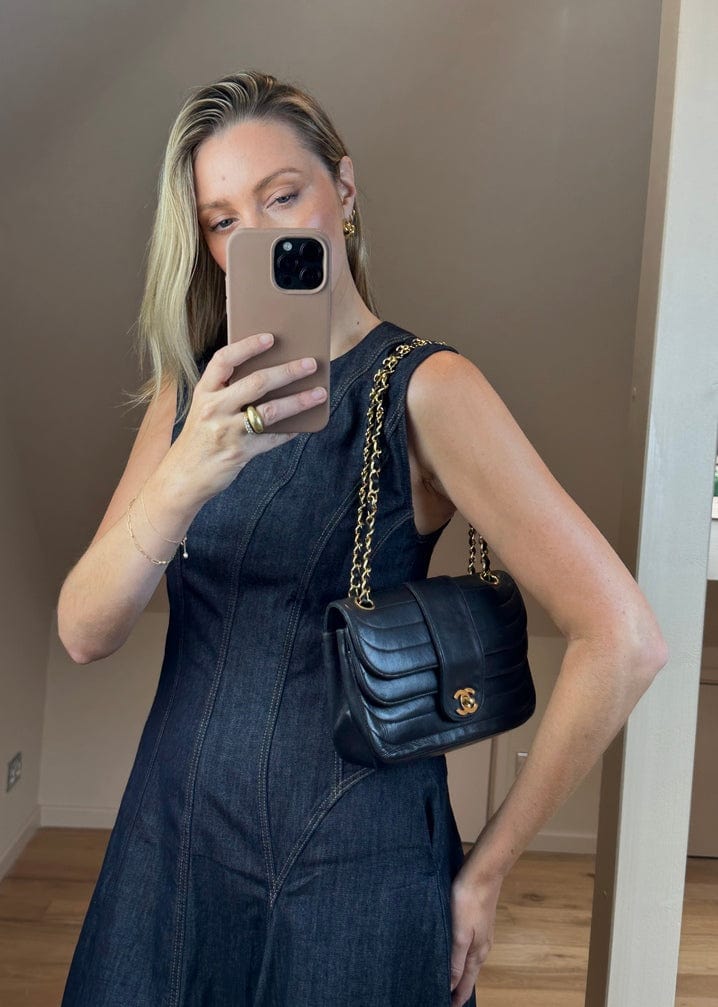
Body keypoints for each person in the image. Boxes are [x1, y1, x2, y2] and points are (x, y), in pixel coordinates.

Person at [57, 69, 668, 1007]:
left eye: (282, 195)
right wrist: (187, 471)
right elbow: (84, 631)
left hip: (355, 871)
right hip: (169, 839)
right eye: (222, 219)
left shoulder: (426, 387)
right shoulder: (194, 395)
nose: (258, 235)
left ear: (343, 190)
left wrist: (487, 870)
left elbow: (623, 638)